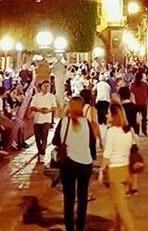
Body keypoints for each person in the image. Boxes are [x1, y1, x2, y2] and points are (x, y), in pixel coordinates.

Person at [55, 97, 94, 231]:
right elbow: (91, 143)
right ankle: (80, 227)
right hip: (85, 163)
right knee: (82, 197)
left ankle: (69, 227)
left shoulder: (63, 122)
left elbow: (56, 141)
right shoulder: (87, 123)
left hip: (69, 164)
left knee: (69, 198)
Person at [98, 105, 136, 231]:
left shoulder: (112, 132)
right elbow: (133, 147)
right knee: (119, 203)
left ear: (114, 116)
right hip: (126, 169)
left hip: (115, 170)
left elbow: (107, 154)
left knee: (121, 207)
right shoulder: (128, 130)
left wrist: (101, 170)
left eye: (108, 113)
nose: (106, 115)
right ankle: (117, 228)